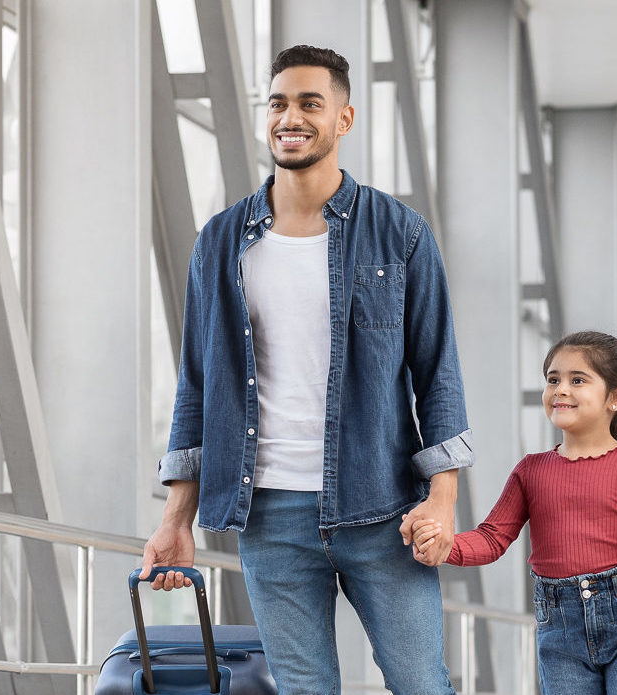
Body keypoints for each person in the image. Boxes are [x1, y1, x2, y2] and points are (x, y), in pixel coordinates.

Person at [139, 45, 470, 695]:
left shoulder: (398, 233)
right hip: (270, 516)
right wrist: (176, 515)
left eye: (310, 103)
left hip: (383, 509)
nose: (291, 116)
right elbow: (198, 385)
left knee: (422, 683)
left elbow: (438, 373)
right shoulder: (222, 241)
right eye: (279, 103)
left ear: (343, 119)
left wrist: (443, 497)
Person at [412, 330, 617, 695]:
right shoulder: (531, 470)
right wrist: (446, 546)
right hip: (559, 625)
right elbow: (492, 538)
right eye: (553, 380)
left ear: (616, 398)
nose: (560, 390)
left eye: (578, 380)